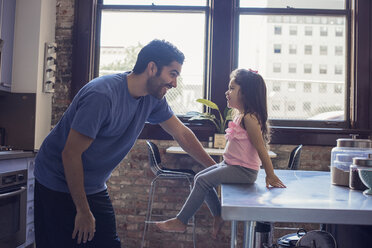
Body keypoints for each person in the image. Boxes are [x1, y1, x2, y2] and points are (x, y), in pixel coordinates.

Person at [33, 39, 216, 248]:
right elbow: (70, 154)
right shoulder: (102, 96)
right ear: (152, 67)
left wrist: (216, 169)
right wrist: (83, 210)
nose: (175, 83)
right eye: (172, 74)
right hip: (56, 181)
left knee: (108, 243)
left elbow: (182, 133)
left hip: (93, 184)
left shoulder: (152, 98)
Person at [155, 68, 286, 238]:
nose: (227, 92)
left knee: (202, 180)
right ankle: (218, 215)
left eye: (232, 88)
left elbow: (261, 148)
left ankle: (181, 221)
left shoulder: (250, 118)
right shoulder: (241, 115)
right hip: (231, 165)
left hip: (244, 171)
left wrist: (270, 175)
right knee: (199, 178)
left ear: (246, 94)